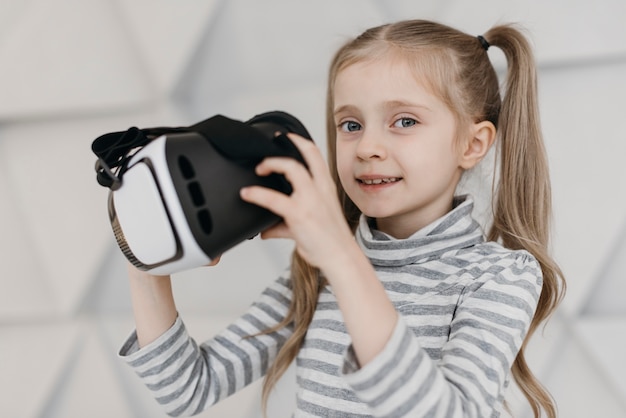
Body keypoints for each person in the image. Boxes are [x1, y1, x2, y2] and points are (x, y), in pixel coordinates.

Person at [119, 19, 566, 418]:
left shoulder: (499, 277)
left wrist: (340, 256)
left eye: (404, 121)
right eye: (350, 125)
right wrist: (145, 253)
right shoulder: (315, 274)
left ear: (473, 143)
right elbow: (186, 391)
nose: (367, 147)